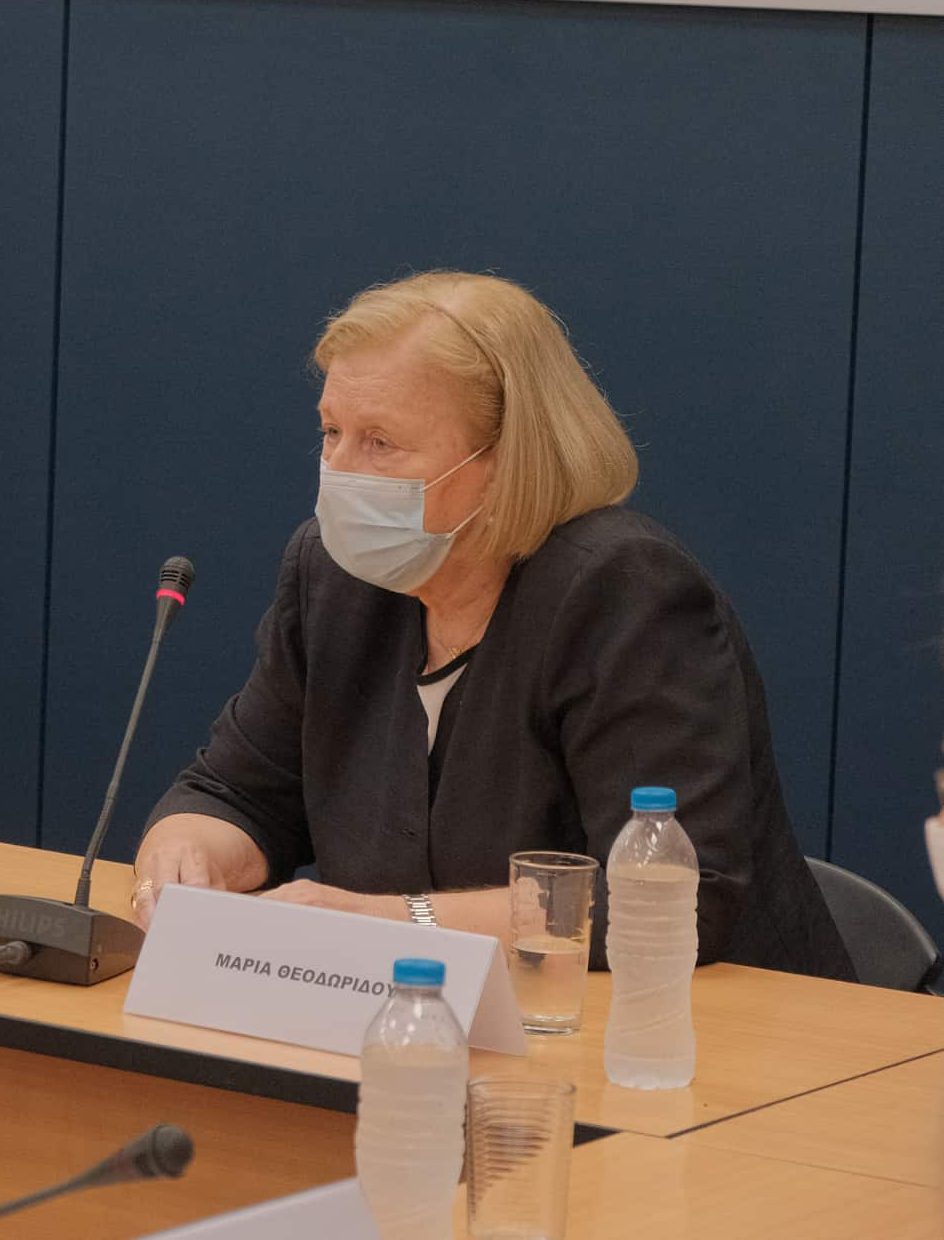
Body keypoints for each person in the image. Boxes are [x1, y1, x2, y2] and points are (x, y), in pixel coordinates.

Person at [132, 271, 851, 979]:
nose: (339, 471)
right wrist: (185, 855)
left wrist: (383, 922)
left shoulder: (623, 591)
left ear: (505, 459)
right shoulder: (336, 579)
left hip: (704, 1026)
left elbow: (667, 896)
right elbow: (237, 793)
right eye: (331, 432)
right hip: (432, 1014)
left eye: (380, 442)